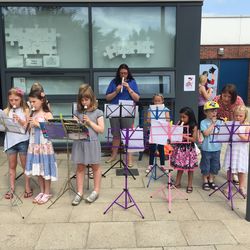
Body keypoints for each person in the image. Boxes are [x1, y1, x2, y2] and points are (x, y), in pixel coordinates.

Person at [71, 84, 104, 206]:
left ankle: (96, 190)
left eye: (87, 99)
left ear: (92, 99)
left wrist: (89, 122)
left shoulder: (98, 112)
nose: (84, 102)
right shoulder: (77, 112)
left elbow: (101, 130)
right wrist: (77, 123)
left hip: (92, 142)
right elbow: (73, 129)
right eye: (82, 99)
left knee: (95, 166)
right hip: (80, 142)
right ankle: (79, 192)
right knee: (80, 167)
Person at [25, 87, 58, 204]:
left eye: (34, 101)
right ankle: (42, 190)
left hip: (45, 147)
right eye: (30, 102)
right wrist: (29, 124)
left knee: (45, 170)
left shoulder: (47, 114)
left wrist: (38, 124)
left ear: (42, 101)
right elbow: (29, 131)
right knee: (38, 170)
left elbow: (52, 131)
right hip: (35, 146)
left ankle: (47, 192)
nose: (32, 104)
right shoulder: (32, 113)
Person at [105, 64, 140, 167]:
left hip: (128, 111)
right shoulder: (113, 82)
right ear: (118, 73)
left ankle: (129, 159)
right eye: (121, 73)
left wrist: (129, 88)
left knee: (128, 135)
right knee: (116, 135)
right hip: (115, 111)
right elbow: (107, 98)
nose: (123, 75)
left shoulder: (132, 82)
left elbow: (137, 98)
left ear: (128, 73)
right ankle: (113, 155)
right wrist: (116, 91)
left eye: (125, 73)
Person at [3, 87, 32, 199]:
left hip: (23, 140)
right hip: (11, 142)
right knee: (12, 166)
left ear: (21, 99)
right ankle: (11, 188)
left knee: (25, 166)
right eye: (11, 100)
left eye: (16, 99)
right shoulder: (6, 111)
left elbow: (28, 128)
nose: (13, 102)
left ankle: (28, 187)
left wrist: (19, 120)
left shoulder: (26, 110)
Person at [213, 84, 245, 184]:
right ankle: (213, 170)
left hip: (234, 126)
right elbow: (211, 112)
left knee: (233, 150)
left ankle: (234, 173)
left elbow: (243, 115)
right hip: (220, 125)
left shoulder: (238, 100)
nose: (226, 98)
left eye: (229, 96)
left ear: (234, 96)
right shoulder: (216, 99)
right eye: (224, 95)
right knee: (216, 147)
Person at [223, 105, 249, 198]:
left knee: (241, 169)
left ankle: (241, 186)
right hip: (232, 148)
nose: (238, 117)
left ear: (245, 116)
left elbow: (247, 139)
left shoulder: (247, 126)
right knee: (230, 168)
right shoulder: (232, 124)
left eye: (240, 116)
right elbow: (226, 137)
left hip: (241, 150)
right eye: (236, 115)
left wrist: (238, 133)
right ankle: (228, 185)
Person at [171, 107, 198, 193]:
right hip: (180, 148)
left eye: (184, 117)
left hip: (189, 149)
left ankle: (190, 185)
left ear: (190, 117)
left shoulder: (194, 126)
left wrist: (184, 135)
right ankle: (177, 183)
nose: (181, 119)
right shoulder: (179, 123)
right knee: (180, 167)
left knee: (190, 169)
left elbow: (194, 139)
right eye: (181, 117)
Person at [200, 101, 223, 191]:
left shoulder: (220, 122)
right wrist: (213, 124)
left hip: (217, 148)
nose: (214, 113)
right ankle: (205, 180)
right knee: (206, 165)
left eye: (215, 111)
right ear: (205, 112)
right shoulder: (203, 122)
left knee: (215, 165)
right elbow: (205, 133)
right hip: (206, 148)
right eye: (211, 111)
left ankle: (211, 180)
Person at [146, 93, 170, 173]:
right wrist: (150, 118)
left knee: (161, 148)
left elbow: (168, 120)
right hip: (153, 129)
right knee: (152, 148)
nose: (157, 102)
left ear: (162, 101)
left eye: (159, 101)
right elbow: (148, 120)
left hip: (162, 130)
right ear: (153, 101)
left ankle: (162, 165)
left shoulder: (165, 109)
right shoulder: (150, 109)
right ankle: (150, 164)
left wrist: (163, 119)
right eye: (155, 101)